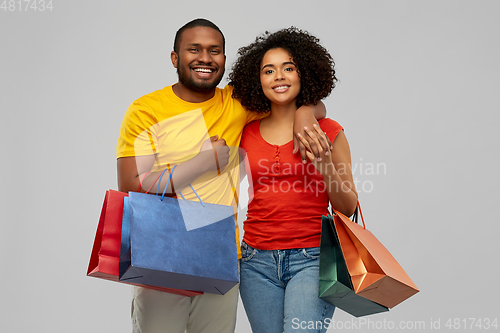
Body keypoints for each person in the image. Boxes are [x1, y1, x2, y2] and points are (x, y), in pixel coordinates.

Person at [116, 19, 330, 333]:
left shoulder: (236, 103)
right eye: (194, 50)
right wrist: (202, 163)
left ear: (224, 60)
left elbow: (287, 96)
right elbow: (132, 185)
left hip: (220, 257)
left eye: (214, 51)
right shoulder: (145, 110)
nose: (205, 58)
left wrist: (306, 112)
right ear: (175, 58)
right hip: (161, 255)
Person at [229, 27, 358, 333]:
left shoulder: (327, 129)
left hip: (312, 258)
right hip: (255, 261)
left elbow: (348, 206)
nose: (279, 77)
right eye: (269, 70)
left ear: (304, 74)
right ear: (257, 80)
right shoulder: (245, 132)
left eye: (289, 68)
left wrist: (324, 163)